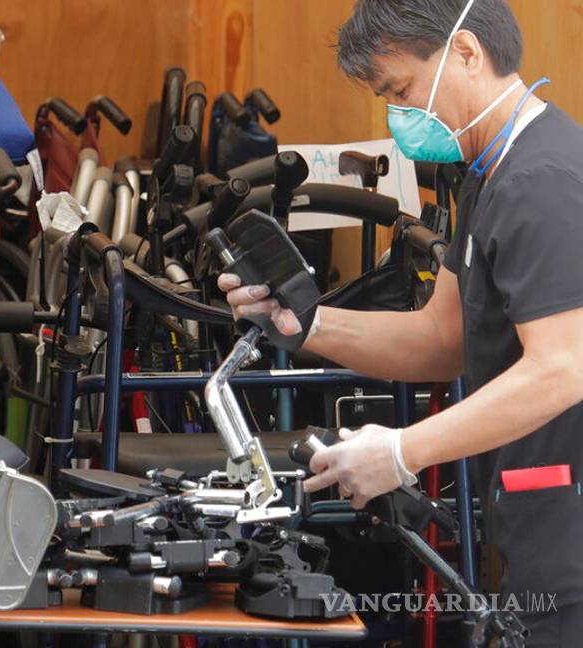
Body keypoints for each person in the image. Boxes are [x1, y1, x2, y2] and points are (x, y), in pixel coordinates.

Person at [221, 0, 583, 643]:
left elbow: (563, 366)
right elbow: (442, 338)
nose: (399, 116)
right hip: (539, 527)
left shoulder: (543, 180)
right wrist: (303, 324)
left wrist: (401, 451)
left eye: (403, 91)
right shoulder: (486, 176)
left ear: (467, 53)